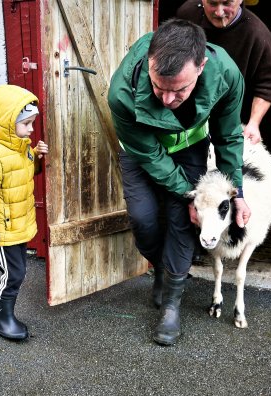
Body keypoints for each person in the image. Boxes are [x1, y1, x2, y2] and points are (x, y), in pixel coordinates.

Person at [107, 19, 250, 346]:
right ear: (149, 64)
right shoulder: (121, 93)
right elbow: (153, 157)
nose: (168, 99)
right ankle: (163, 267)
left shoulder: (226, 73)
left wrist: (236, 193)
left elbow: (228, 136)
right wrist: (192, 195)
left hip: (189, 146)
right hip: (142, 152)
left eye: (179, 90)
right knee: (143, 219)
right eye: (159, 87)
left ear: (201, 67)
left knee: (182, 222)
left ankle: (171, 304)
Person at [0, 85, 49, 341]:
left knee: (19, 272)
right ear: (7, 124)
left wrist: (35, 156)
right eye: (26, 124)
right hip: (1, 231)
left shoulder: (21, 147)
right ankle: (3, 319)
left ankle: (7, 315)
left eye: (32, 122)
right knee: (13, 274)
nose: (31, 129)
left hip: (18, 225)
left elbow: (23, 174)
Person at [177, 0, 271, 144]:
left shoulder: (257, 33)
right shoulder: (187, 13)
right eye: (212, 3)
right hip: (186, 114)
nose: (219, 12)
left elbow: (268, 85)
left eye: (227, 3)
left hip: (231, 118)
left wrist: (253, 123)